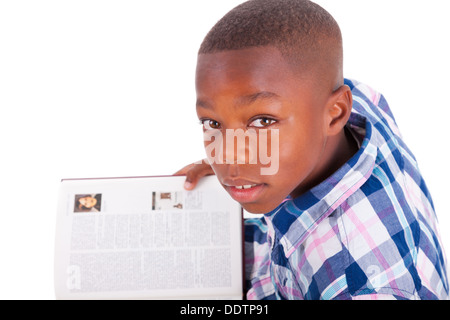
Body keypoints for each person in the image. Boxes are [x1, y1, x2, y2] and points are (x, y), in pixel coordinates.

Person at [175, 0, 448, 299]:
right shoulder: (359, 108)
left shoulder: (358, 287)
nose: (228, 155)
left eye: (263, 121)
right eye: (213, 123)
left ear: (335, 113)